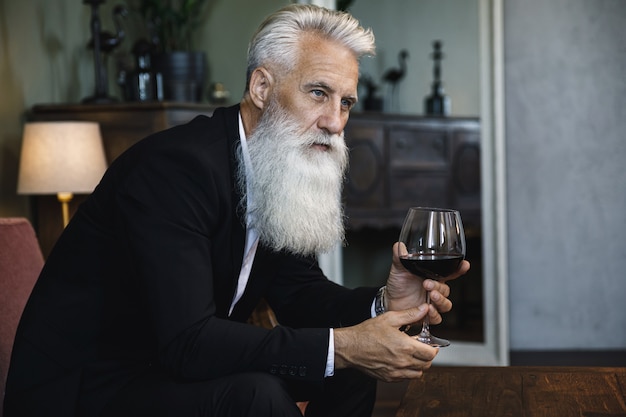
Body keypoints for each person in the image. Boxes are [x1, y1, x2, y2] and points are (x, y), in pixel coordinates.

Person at [4, 4, 470, 417]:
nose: (335, 121)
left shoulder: (273, 164)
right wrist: (347, 345)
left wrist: (384, 305)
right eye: (317, 93)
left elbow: (301, 292)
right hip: (89, 389)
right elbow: (187, 341)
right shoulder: (175, 168)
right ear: (262, 87)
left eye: (345, 101)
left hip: (168, 370)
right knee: (259, 394)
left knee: (350, 367)